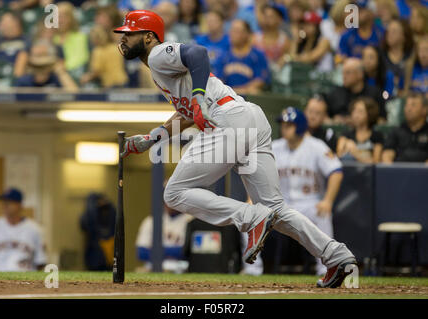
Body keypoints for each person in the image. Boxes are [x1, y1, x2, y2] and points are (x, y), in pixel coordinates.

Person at [114, 10, 357, 288]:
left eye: (129, 33)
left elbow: (198, 53)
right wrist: (153, 137)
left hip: (229, 119)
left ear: (148, 37)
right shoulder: (160, 69)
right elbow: (187, 115)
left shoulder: (157, 54)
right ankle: (336, 256)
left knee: (175, 192)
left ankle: (250, 218)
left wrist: (198, 97)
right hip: (249, 118)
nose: (123, 39)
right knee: (274, 208)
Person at [272, 107, 344, 276]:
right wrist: (251, 198)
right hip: (281, 204)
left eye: (289, 125)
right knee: (249, 215)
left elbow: (336, 172)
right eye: (283, 124)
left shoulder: (317, 147)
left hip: (309, 203)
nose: (284, 128)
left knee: (322, 214)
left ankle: (326, 269)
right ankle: (252, 271)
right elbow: (256, 174)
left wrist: (328, 200)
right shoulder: (274, 147)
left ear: (300, 126)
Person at [0, 188, 47, 271]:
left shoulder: (34, 229)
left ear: (20, 205)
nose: (5, 205)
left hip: (25, 277)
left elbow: (40, 261)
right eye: (3, 202)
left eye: (9, 202)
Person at [324, 58, 386, 123]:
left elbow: (382, 120)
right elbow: (326, 118)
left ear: (360, 74)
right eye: (343, 73)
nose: (344, 76)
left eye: (348, 73)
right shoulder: (335, 94)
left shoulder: (374, 93)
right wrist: (333, 121)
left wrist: (361, 120)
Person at [217, 19, 270, 95]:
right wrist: (239, 91)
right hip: (228, 100)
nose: (233, 34)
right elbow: (219, 81)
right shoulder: (223, 55)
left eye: (237, 31)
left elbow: (260, 80)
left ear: (247, 34)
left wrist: (239, 91)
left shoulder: (257, 55)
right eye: (232, 31)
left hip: (250, 101)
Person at [136, 201, 191, 273]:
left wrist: (156, 250)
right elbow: (141, 253)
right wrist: (174, 251)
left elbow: (187, 253)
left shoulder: (191, 220)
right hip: (152, 268)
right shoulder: (151, 220)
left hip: (182, 269)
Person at [382, 92, 428, 163]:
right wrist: (389, 169)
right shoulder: (396, 131)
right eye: (407, 105)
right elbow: (387, 154)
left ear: (424, 110)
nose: (408, 109)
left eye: (413, 105)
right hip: (399, 171)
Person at [337, 97, 384, 163]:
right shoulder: (346, 135)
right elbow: (338, 157)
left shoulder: (377, 136)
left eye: (360, 111)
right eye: (354, 111)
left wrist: (356, 153)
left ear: (369, 114)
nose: (356, 115)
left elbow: (376, 162)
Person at [53, 1, 90, 83]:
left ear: (71, 18)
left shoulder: (80, 37)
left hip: (74, 75)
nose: (59, 20)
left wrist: (62, 68)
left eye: (63, 17)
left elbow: (81, 60)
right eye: (57, 17)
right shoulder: (51, 38)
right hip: (54, 76)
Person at [80, 193, 116, 271]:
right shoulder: (91, 211)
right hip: (95, 245)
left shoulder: (110, 210)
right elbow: (84, 225)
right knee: (94, 264)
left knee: (110, 266)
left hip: (108, 244)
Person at [0, 12, 29, 80]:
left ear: (16, 23)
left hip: (18, 75)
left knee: (23, 56)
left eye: (5, 22)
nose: (1, 25)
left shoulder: (26, 40)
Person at [381, 19, 414, 93]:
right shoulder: (380, 55)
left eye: (394, 31)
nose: (389, 34)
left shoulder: (411, 56)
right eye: (388, 31)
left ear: (404, 36)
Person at [253, 3, 291, 68]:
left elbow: (290, 55)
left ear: (279, 19)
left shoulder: (285, 41)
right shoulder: (254, 38)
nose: (267, 19)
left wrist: (285, 58)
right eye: (265, 16)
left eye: (271, 16)